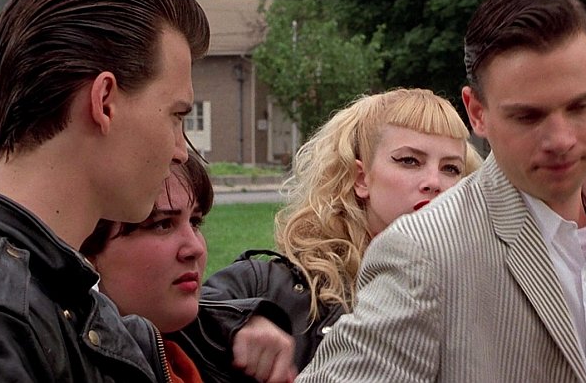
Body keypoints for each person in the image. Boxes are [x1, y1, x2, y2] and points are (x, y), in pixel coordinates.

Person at [296, 0, 586, 383]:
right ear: (476, 113)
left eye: (580, 106)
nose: (561, 140)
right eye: (528, 116)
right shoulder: (424, 255)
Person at [0, 0, 291, 382]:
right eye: (177, 116)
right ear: (105, 102)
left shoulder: (59, 292)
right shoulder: (5, 316)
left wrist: (237, 323)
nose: (181, 151)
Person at [203, 87, 483, 371]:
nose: (434, 182)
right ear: (361, 178)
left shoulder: (479, 290)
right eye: (410, 161)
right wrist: (240, 321)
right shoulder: (269, 287)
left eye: (451, 169)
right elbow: (186, 317)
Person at [82, 152, 296, 383]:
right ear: (87, 249)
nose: (195, 248)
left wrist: (232, 326)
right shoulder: (70, 364)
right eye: (162, 224)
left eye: (195, 222)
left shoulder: (207, 353)